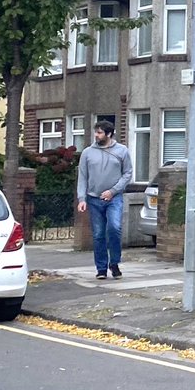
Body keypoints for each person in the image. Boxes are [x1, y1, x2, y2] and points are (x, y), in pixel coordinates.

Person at [75, 120, 134, 280]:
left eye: (100, 132)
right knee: (98, 234)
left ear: (109, 134)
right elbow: (82, 176)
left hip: (114, 198)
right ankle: (101, 268)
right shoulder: (87, 153)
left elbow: (127, 173)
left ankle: (114, 263)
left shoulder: (122, 151)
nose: (96, 135)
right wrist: (82, 198)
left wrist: (113, 191)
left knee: (114, 228)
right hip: (93, 199)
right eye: (96, 132)